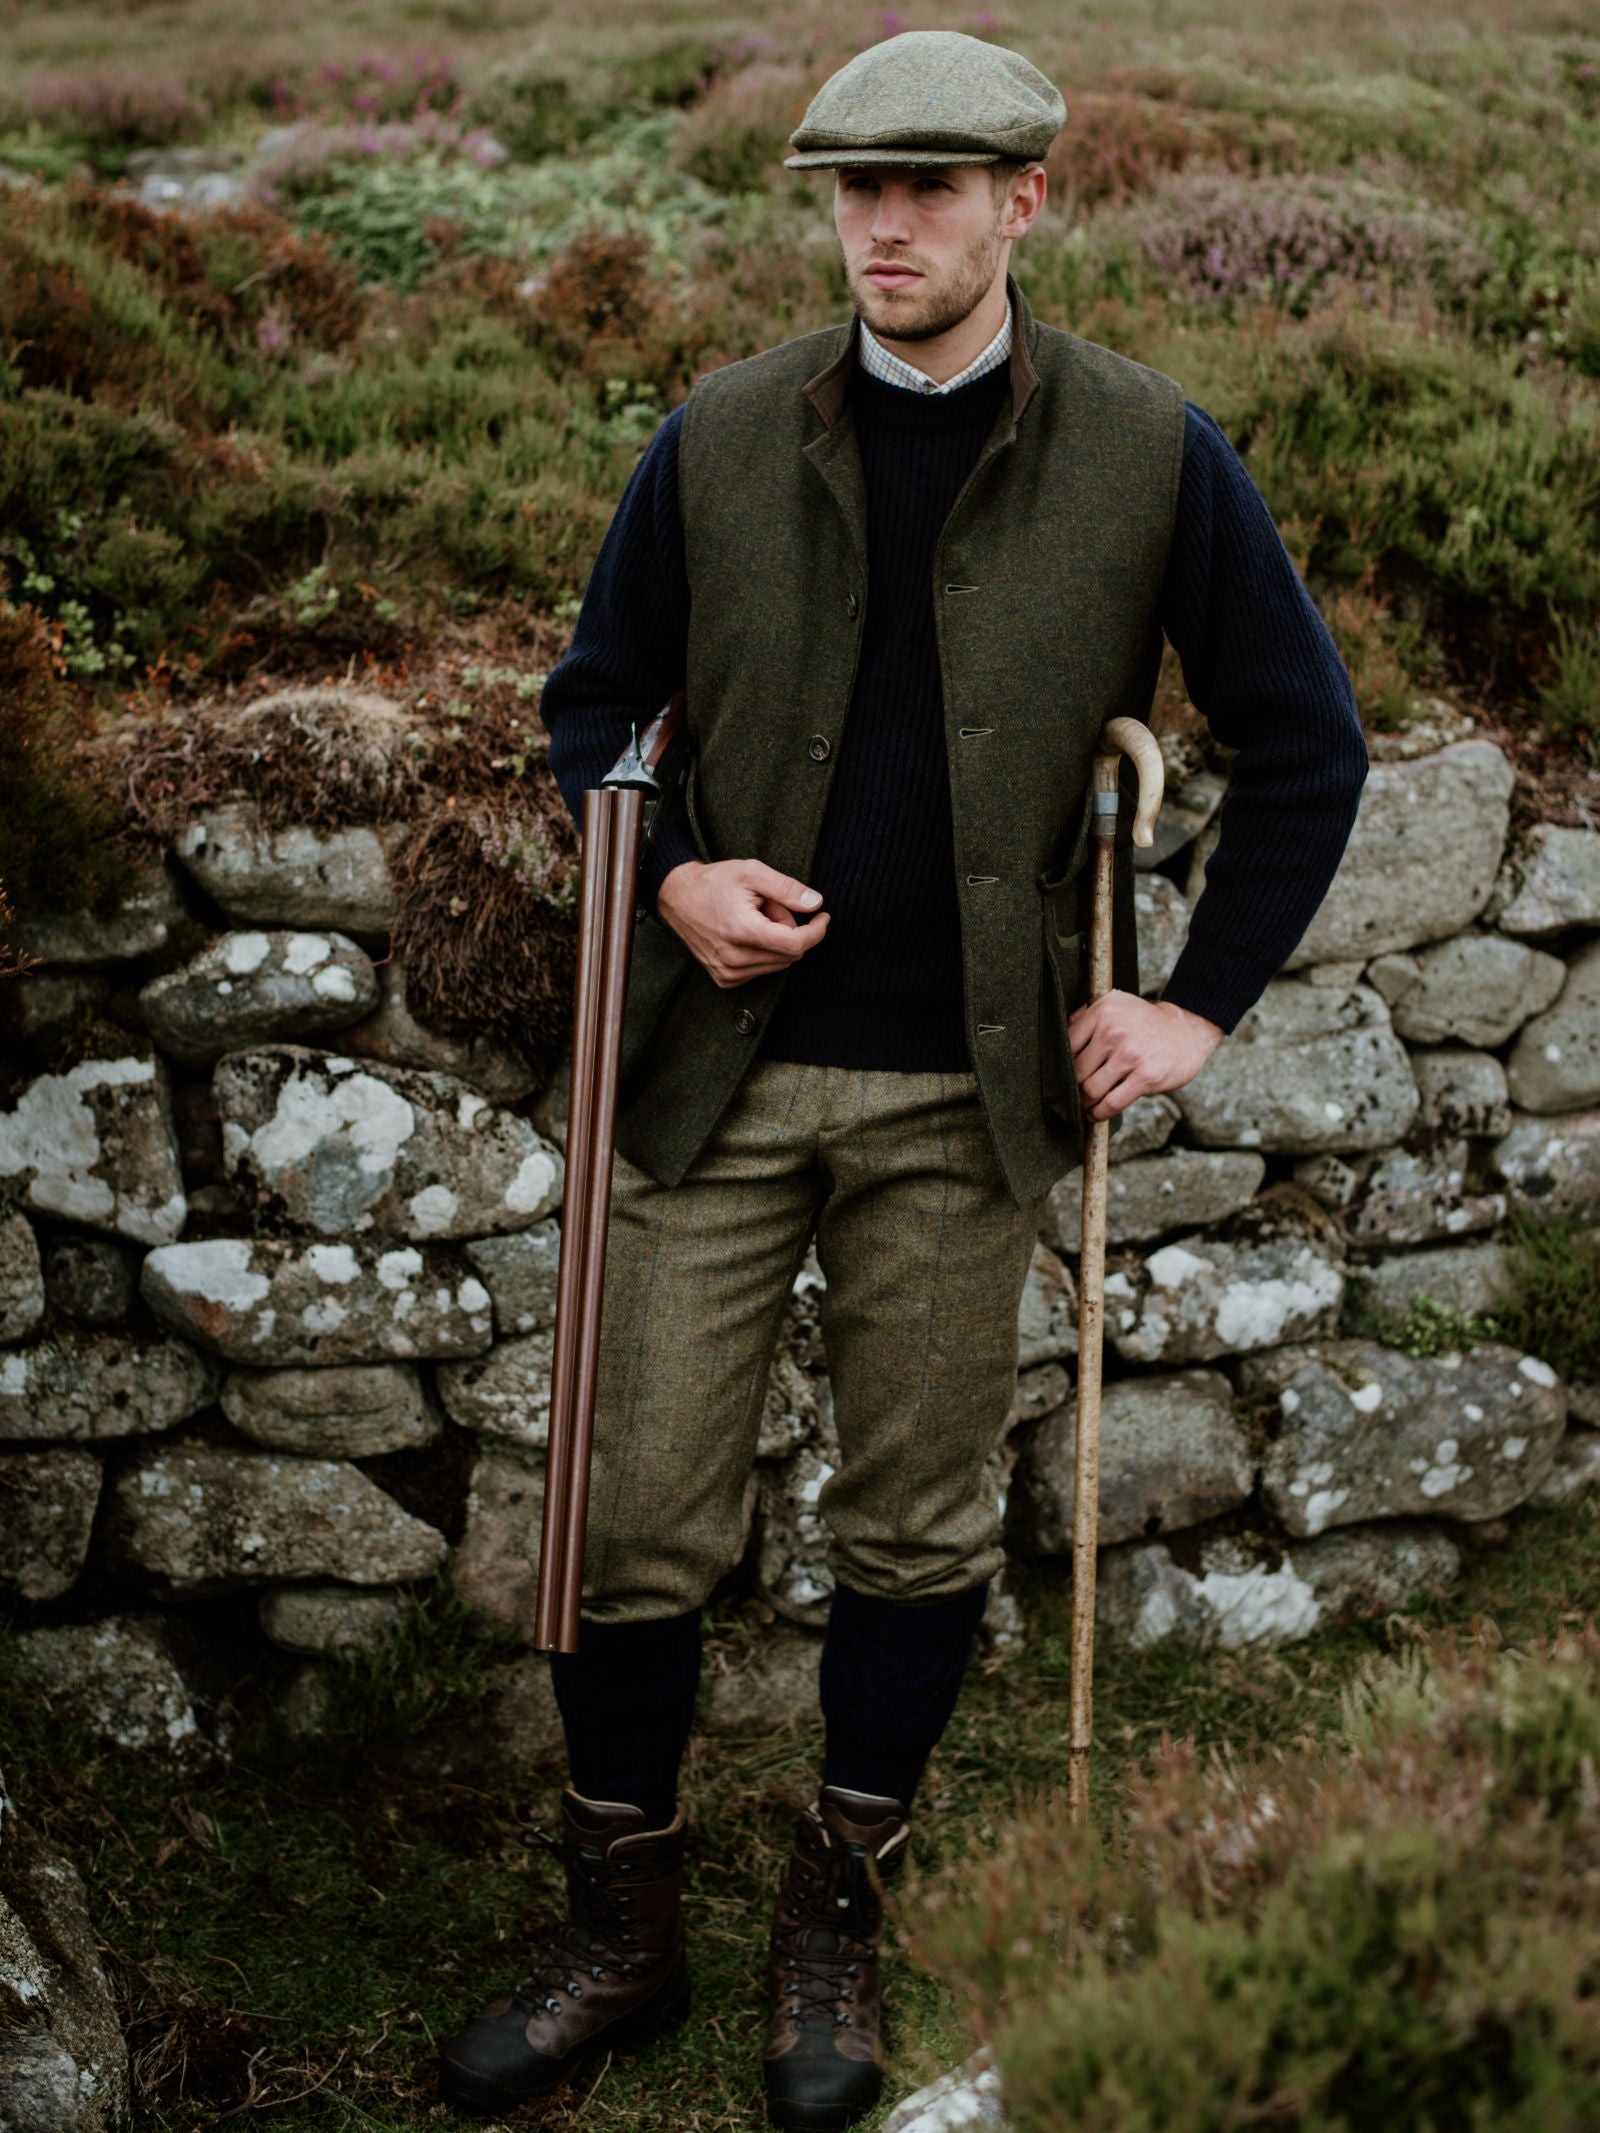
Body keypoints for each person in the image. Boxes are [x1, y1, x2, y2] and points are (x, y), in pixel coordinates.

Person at [437, 29, 1368, 2130]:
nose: (883, 223)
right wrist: (666, 878)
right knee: (630, 1505)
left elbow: (1305, 748)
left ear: (1024, 199)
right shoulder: (716, 434)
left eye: (930, 186)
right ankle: (621, 1920)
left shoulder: (1150, 452)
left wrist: (1196, 1003)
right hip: (707, 1087)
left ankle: (832, 1917)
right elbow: (594, 707)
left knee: (916, 1519)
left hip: (967, 1101)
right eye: (853, 187)